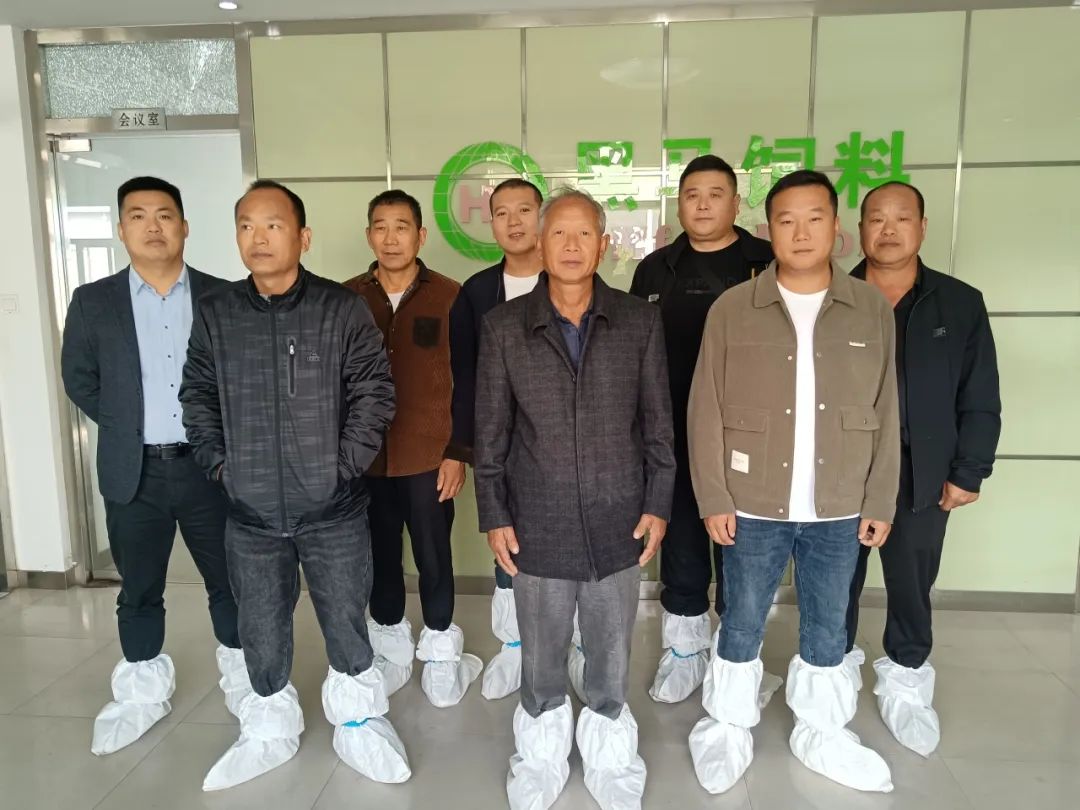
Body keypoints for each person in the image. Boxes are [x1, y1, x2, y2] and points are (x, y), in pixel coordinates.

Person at [181, 180, 406, 790]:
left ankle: (359, 723)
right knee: (259, 624)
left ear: (303, 237)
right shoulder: (218, 312)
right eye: (247, 225)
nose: (259, 238)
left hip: (333, 509)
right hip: (249, 512)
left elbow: (374, 392)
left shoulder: (340, 308)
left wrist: (340, 467)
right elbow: (197, 394)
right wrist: (222, 466)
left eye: (273, 225)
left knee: (345, 620)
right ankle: (268, 729)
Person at [687, 170, 899, 794]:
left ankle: (823, 731)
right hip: (752, 504)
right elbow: (705, 409)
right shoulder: (733, 308)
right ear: (768, 229)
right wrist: (713, 495)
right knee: (742, 618)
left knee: (829, 624)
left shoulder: (870, 308)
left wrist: (881, 498)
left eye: (814, 219)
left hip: (839, 504)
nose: (801, 233)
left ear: (836, 228)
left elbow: (888, 408)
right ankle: (728, 725)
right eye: (787, 220)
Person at [475, 188, 676, 810]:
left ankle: (610, 751)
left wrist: (659, 501)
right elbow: (491, 433)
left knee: (612, 647)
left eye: (583, 233)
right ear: (540, 244)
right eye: (557, 233)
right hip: (537, 519)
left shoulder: (638, 321)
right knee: (541, 650)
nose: (570, 245)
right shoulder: (504, 326)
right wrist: (494, 513)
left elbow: (658, 424)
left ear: (604, 245)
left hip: (620, 515)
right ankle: (540, 753)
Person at [61, 176, 248, 757]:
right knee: (138, 589)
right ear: (121, 230)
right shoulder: (93, 302)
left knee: (231, 584)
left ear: (184, 226)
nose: (152, 226)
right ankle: (141, 694)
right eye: (138, 215)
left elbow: (244, 378)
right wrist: (127, 425)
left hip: (209, 469)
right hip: (134, 472)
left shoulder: (224, 297)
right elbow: (80, 379)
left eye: (164, 215)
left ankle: (250, 687)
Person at [844, 181, 1001, 757]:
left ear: (923, 227)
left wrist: (969, 469)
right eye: (876, 219)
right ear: (860, 229)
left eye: (901, 218)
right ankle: (830, 677)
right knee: (834, 582)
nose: (888, 230)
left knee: (912, 583)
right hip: (842, 473)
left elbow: (979, 393)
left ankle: (906, 681)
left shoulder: (959, 303)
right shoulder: (833, 296)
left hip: (923, 473)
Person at [630, 155, 781, 705]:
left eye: (715, 194)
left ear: (736, 203)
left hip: (751, 439)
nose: (702, 204)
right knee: (683, 545)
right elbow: (632, 354)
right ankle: (685, 651)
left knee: (745, 550)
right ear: (679, 205)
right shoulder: (655, 269)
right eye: (691, 194)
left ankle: (737, 660)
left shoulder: (767, 263)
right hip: (671, 432)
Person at [346, 190, 480, 708]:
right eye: (380, 227)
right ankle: (391, 648)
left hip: (429, 458)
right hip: (366, 459)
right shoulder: (347, 298)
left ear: (421, 235)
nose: (391, 238)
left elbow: (468, 380)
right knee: (379, 557)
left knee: (433, 557)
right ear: (368, 235)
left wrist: (458, 452)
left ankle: (441, 650)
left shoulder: (450, 296)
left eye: (401, 226)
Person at [449, 178, 547, 700]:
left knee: (573, 539)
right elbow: (464, 376)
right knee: (507, 539)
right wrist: (462, 449)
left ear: (542, 217)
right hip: (502, 444)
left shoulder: (569, 278)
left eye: (524, 210)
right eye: (502, 213)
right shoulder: (477, 292)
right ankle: (513, 646)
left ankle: (573, 645)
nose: (514, 222)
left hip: (564, 441)